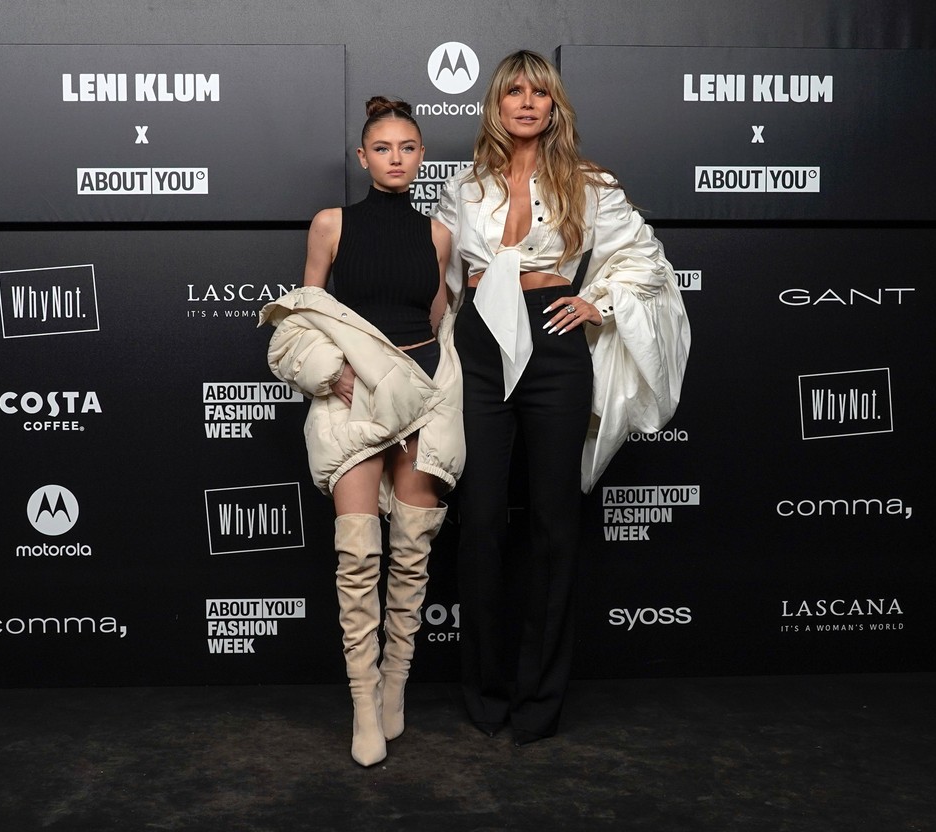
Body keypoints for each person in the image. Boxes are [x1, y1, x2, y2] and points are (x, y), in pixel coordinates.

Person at [432, 50, 689, 745]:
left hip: (553, 343)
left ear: (554, 106)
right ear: (495, 104)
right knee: (481, 520)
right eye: (513, 91)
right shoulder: (463, 188)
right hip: (482, 348)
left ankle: (541, 699)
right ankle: (485, 692)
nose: (526, 101)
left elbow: (644, 259)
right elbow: (442, 284)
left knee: (554, 522)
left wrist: (597, 301)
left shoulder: (590, 183)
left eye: (539, 92)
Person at [260, 97, 463, 766]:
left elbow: (437, 320)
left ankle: (395, 684)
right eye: (383, 148)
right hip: (355, 399)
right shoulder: (331, 224)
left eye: (407, 147)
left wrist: (435, 384)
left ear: (421, 156)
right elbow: (304, 313)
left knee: (412, 550)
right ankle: (362, 703)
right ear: (363, 156)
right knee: (358, 557)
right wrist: (333, 374)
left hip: (423, 396)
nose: (395, 158)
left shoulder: (439, 235)